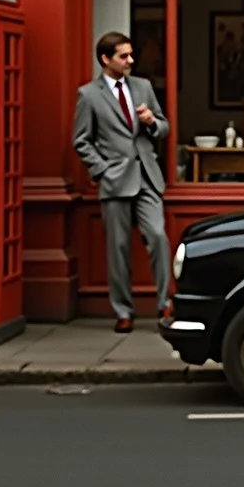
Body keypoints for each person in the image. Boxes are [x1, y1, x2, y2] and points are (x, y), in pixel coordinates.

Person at [73, 31, 173, 333]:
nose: (131, 60)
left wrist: (152, 122)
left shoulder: (143, 87)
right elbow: (81, 141)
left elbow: (164, 127)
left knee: (158, 237)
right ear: (106, 59)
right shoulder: (88, 95)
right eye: (123, 56)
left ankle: (165, 303)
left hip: (147, 176)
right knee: (118, 250)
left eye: (131, 54)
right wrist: (102, 170)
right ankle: (123, 311)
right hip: (115, 180)